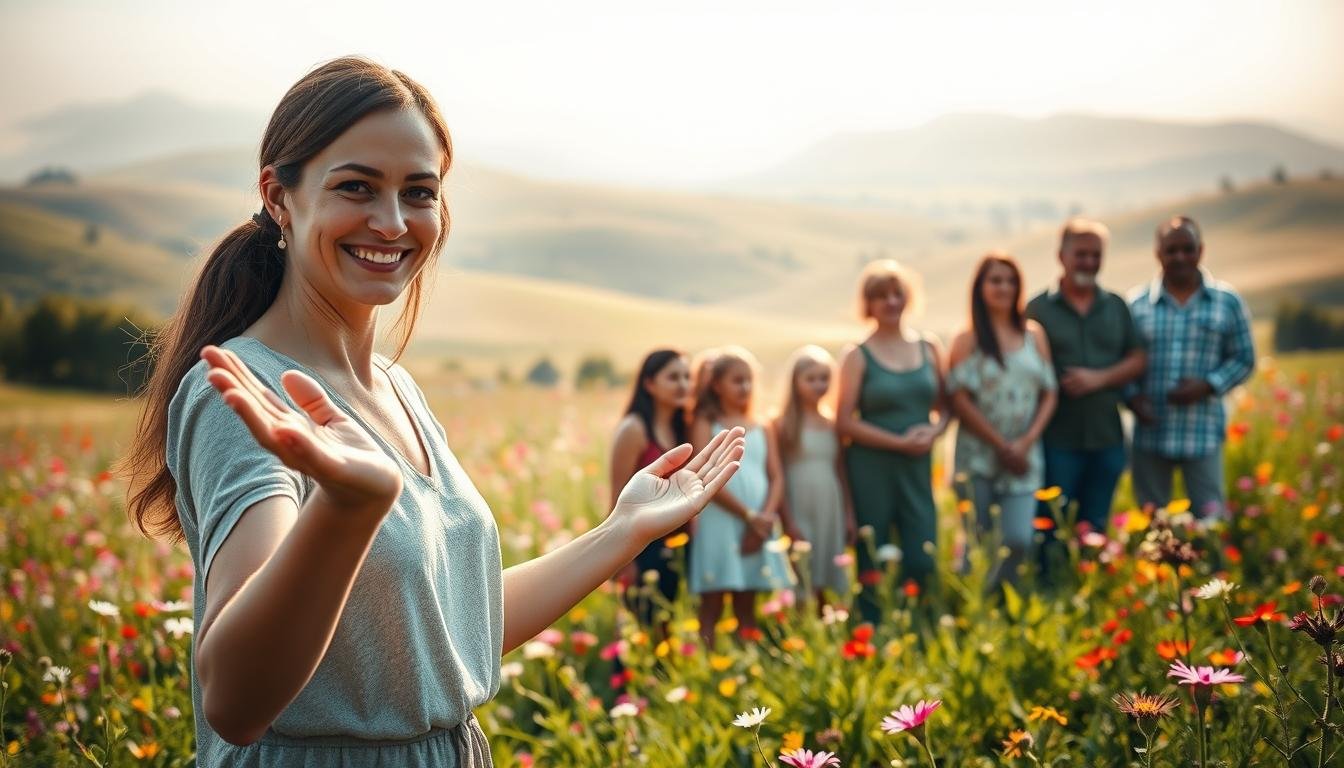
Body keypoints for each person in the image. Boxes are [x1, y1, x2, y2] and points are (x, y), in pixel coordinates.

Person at [117, 56, 745, 767]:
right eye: (357, 187)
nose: (392, 222)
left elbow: (446, 633)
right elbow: (235, 698)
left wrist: (623, 531)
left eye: (419, 192)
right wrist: (346, 511)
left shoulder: (397, 388)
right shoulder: (245, 391)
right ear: (278, 197)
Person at [836, 260, 949, 624]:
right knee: (873, 555)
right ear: (868, 304)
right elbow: (843, 421)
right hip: (871, 468)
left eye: (897, 293)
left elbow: (946, 407)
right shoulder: (857, 355)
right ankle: (872, 630)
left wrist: (934, 430)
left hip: (917, 467)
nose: (890, 301)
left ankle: (923, 627)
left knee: (922, 555)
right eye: (880, 296)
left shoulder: (929, 347)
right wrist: (898, 443)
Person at [1127, 216, 1255, 519]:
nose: (1180, 257)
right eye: (1172, 250)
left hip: (1203, 431)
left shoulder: (1226, 301)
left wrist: (1208, 384)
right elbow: (1122, 363)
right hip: (1150, 433)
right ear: (1158, 253)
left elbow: (1244, 358)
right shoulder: (1137, 304)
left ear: (1201, 250)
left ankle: (1210, 568)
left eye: (1188, 248)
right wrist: (1132, 398)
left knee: (1210, 521)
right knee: (1151, 524)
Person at [1026, 218, 1146, 535]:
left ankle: (1089, 580)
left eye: (1096, 255)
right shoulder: (1037, 309)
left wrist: (1099, 379)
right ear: (1061, 256)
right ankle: (1050, 582)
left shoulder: (1116, 306)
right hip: (1056, 437)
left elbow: (1137, 358)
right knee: (1051, 523)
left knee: (1095, 525)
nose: (1089, 262)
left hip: (1107, 436)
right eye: (1081, 254)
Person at [947, 253, 1058, 592]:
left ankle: (999, 601)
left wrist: (1024, 443)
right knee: (978, 539)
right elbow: (958, 398)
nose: (1003, 287)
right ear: (980, 288)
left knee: (1018, 538)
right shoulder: (967, 339)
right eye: (995, 280)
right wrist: (999, 444)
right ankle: (971, 609)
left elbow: (1049, 392)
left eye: (1010, 281)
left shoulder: (1033, 335)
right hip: (978, 454)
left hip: (1024, 454)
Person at [688, 346, 796, 648]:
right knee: (712, 601)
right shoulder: (705, 423)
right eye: (737, 380)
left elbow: (776, 476)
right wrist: (748, 515)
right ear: (717, 385)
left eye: (749, 380)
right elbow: (704, 476)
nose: (745, 387)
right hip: (720, 521)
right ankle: (708, 665)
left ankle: (746, 665)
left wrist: (764, 519)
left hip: (759, 523)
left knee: (747, 600)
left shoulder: (763, 424)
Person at [609, 349, 694, 627]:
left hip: (678, 545)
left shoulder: (684, 426)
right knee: (639, 630)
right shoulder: (634, 430)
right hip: (642, 546)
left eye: (686, 376)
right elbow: (617, 500)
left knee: (668, 630)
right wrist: (623, 561)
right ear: (649, 384)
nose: (683, 384)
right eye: (673, 377)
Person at [773, 345, 854, 607]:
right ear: (795, 382)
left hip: (829, 502)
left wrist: (849, 514)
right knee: (801, 571)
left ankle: (823, 624)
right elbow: (778, 474)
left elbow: (841, 470)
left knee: (825, 569)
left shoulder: (833, 422)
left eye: (825, 378)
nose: (819, 385)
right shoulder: (782, 425)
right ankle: (798, 627)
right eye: (811, 379)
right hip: (799, 502)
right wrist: (787, 519)